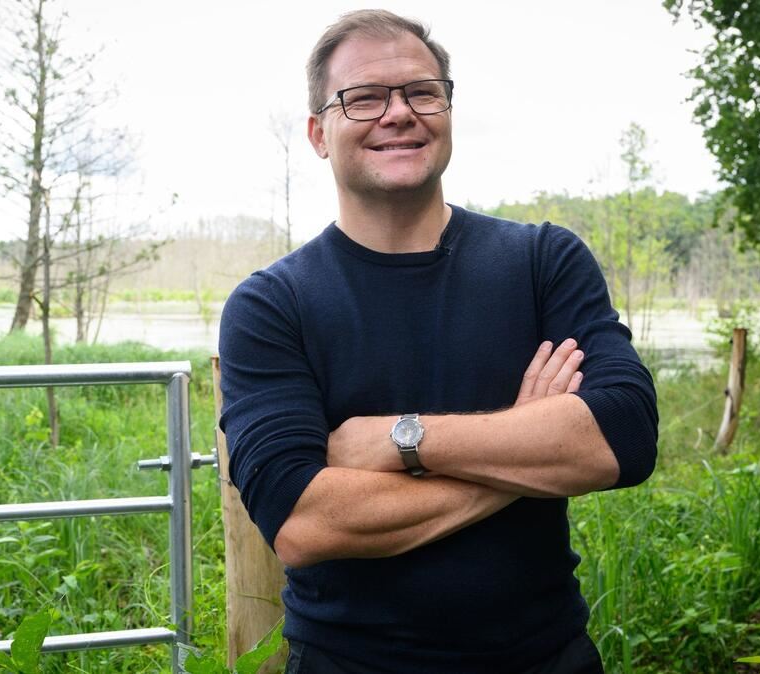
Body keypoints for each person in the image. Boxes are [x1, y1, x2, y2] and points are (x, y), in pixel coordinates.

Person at [218, 9, 657, 673]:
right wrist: (526, 445)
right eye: (363, 97)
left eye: (422, 91)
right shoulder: (272, 305)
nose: (399, 113)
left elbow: (622, 437)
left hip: (545, 657)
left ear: (448, 109)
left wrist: (403, 440)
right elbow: (304, 524)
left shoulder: (544, 261)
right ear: (317, 133)